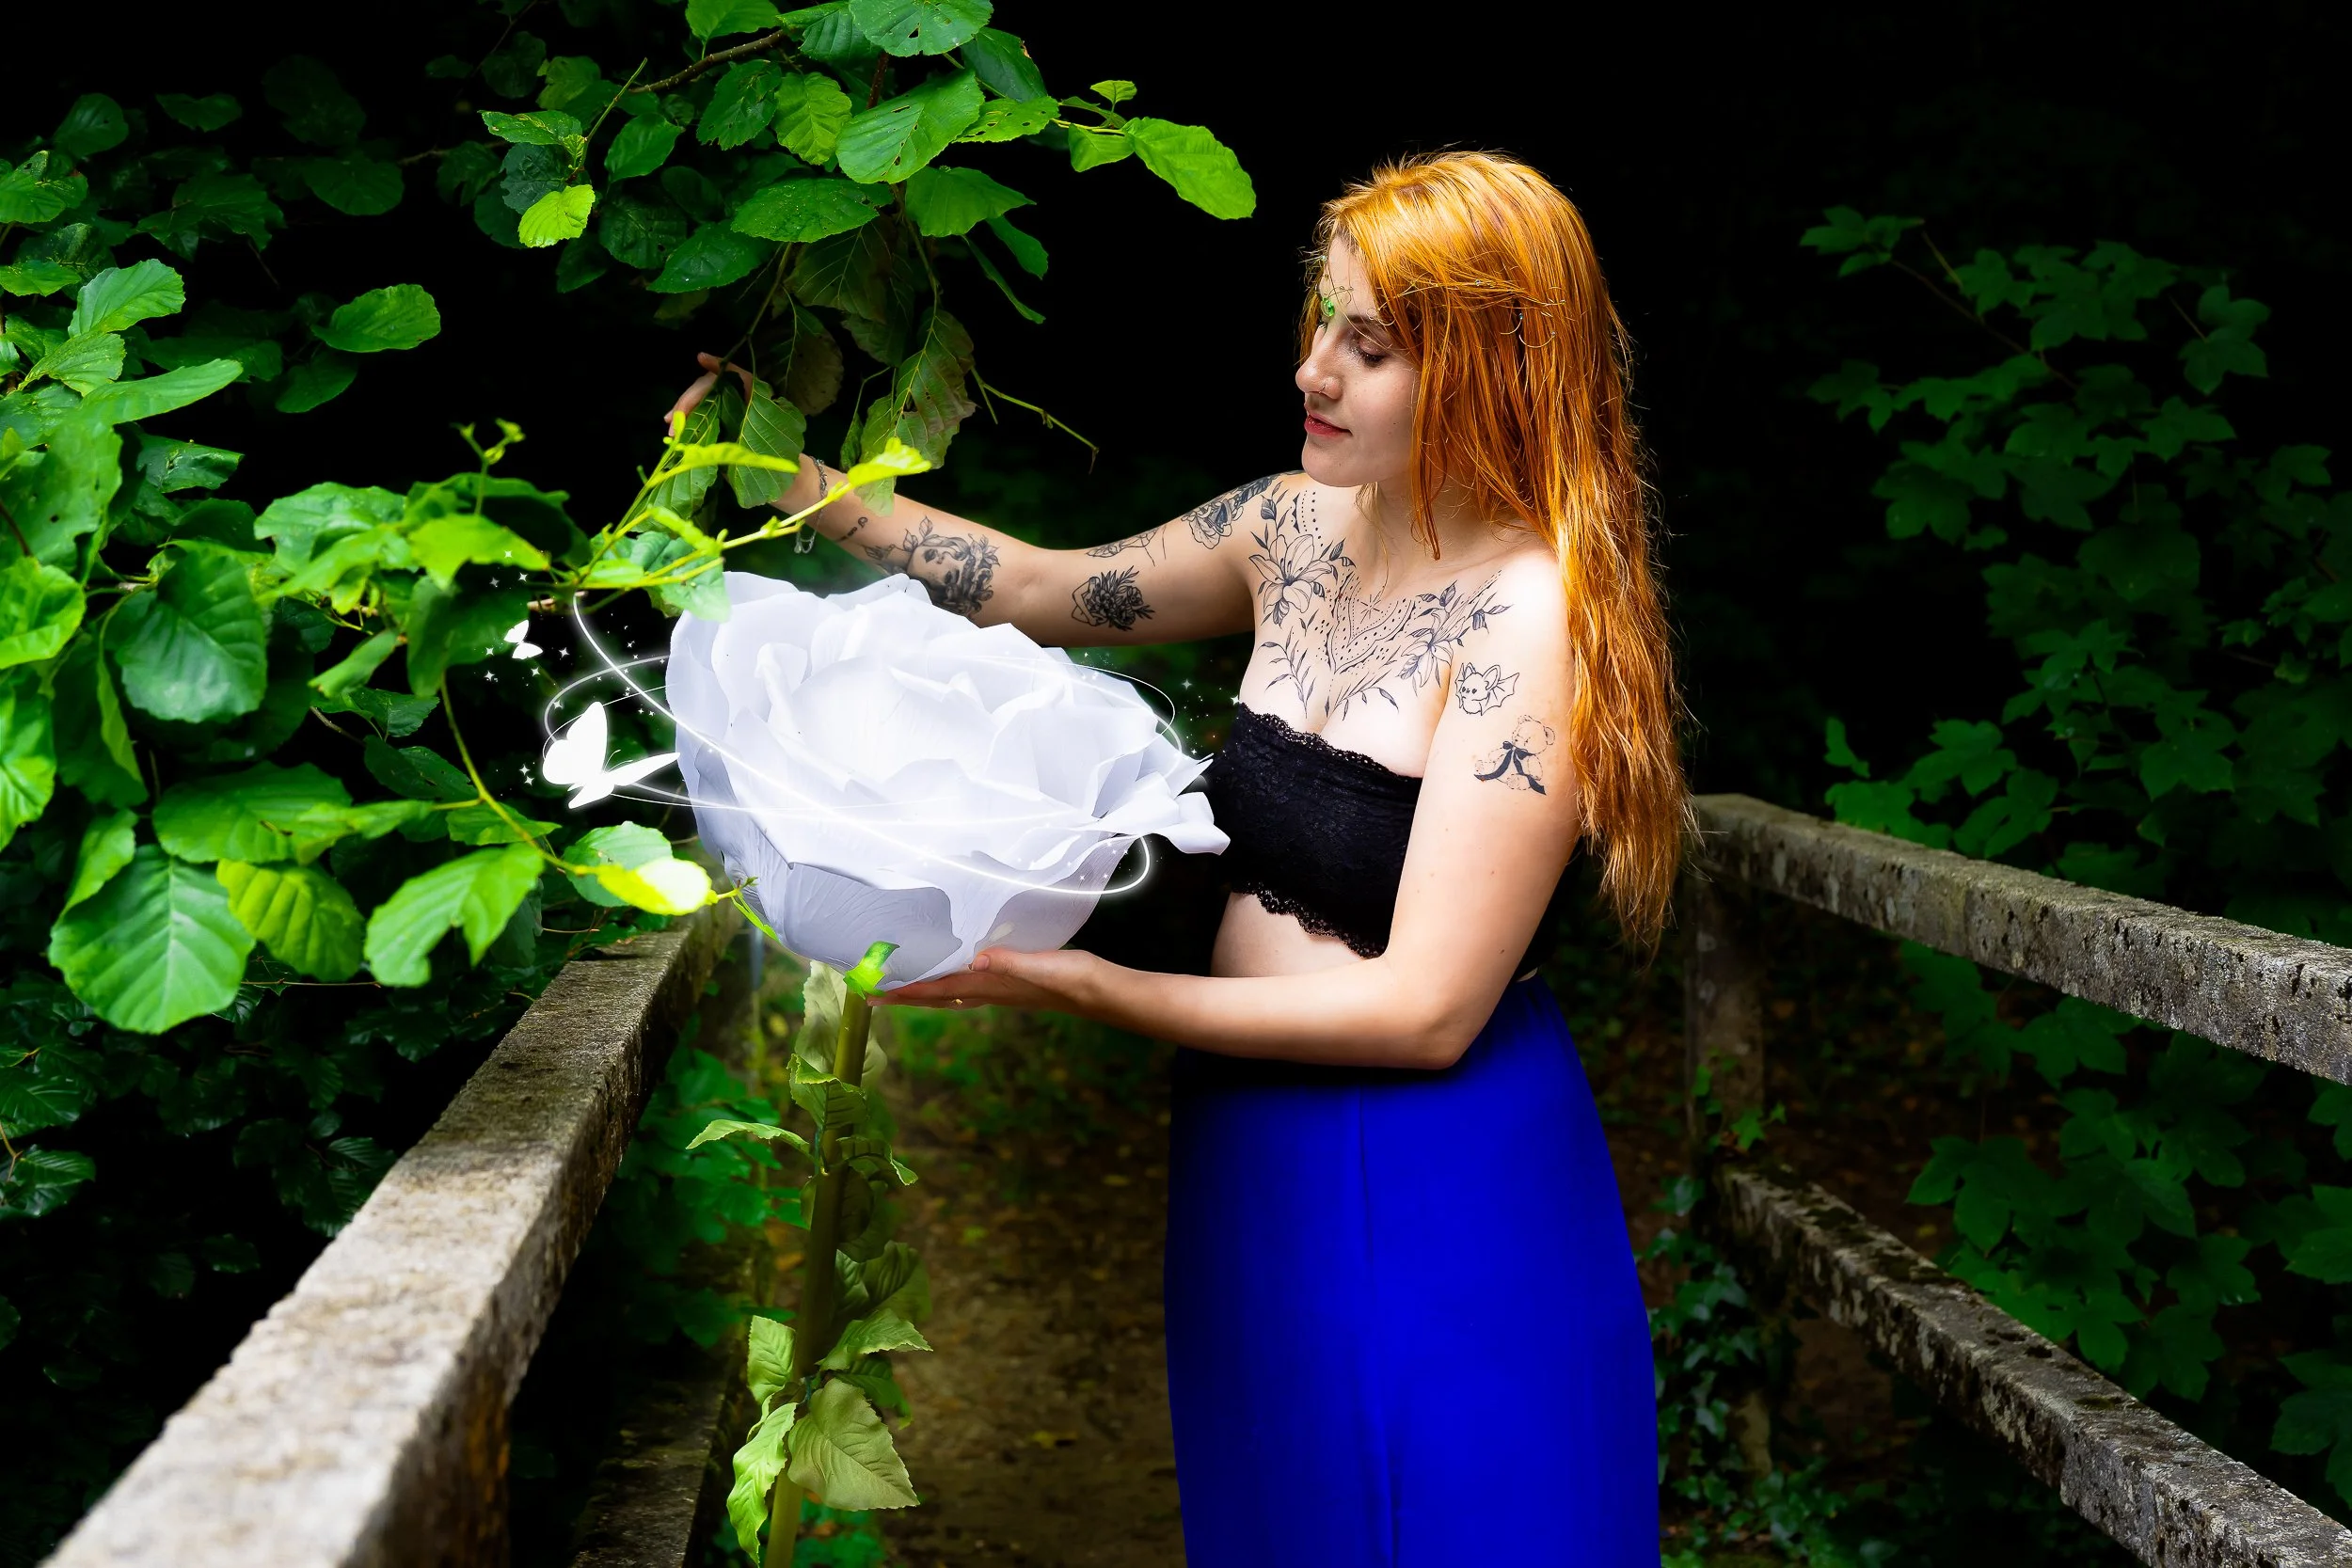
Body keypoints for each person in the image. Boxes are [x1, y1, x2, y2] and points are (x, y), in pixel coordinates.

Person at [674, 150, 1683, 1565]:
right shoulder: (1286, 525)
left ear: (1489, 366)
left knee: (1442, 1517)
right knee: (1281, 1513)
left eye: (1369, 346)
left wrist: (1079, 989)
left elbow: (1421, 1009)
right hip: (1243, 1142)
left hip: (1434, 1171)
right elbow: (1035, 589)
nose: (1314, 370)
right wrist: (802, 486)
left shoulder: (1528, 621)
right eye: (1321, 322)